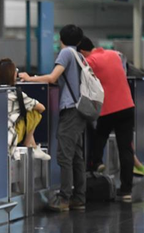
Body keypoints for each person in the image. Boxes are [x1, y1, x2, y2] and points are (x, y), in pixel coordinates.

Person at [19, 24, 87, 212]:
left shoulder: (66, 53)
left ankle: (64, 198)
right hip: (80, 110)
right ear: (79, 41)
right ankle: (79, 197)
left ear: (61, 39)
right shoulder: (80, 55)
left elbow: (52, 78)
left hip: (71, 109)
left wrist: (29, 78)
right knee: (76, 155)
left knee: (65, 155)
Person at [77, 36, 135, 203]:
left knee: (99, 136)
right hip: (127, 106)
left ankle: (97, 162)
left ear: (82, 52)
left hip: (108, 109)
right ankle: (126, 191)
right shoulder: (113, 55)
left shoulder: (90, 61)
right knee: (126, 149)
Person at [0, 58, 50, 161]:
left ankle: (33, 146)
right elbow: (41, 108)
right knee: (33, 113)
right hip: (11, 138)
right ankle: (31, 146)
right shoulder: (16, 95)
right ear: (12, 75)